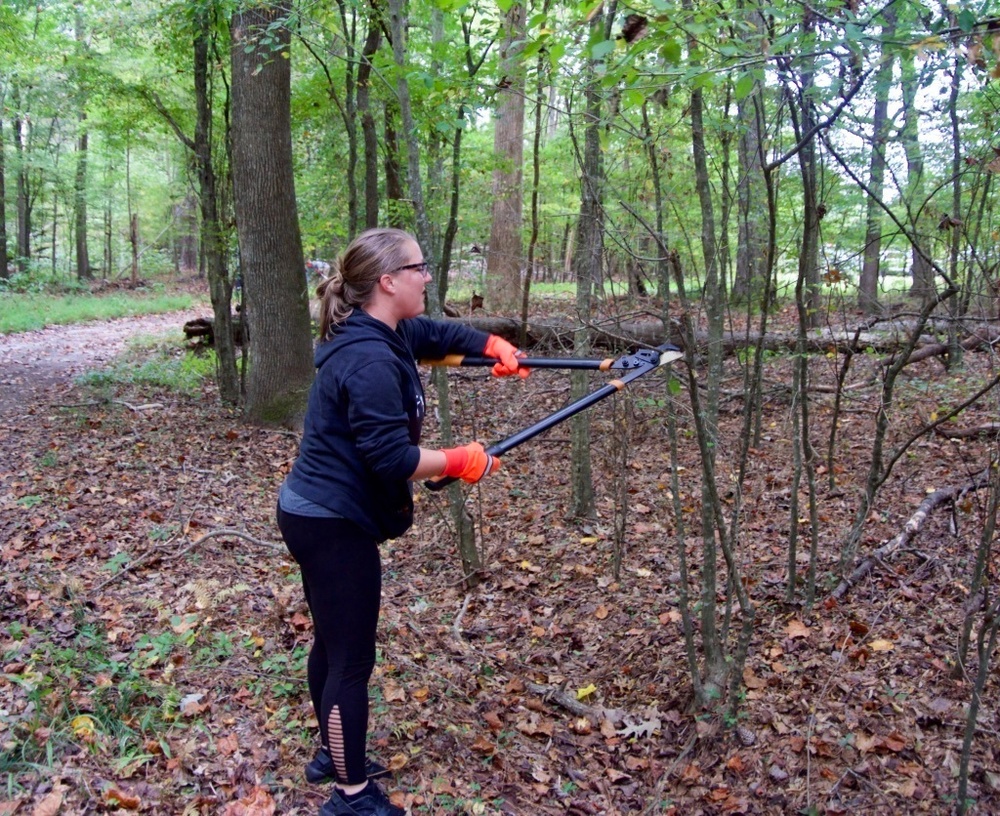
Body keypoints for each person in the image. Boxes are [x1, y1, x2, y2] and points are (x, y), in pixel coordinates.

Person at [277, 228, 527, 816]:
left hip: (319, 512)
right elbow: (391, 458)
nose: (427, 276)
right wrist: (460, 460)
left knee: (334, 646)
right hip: (331, 523)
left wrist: (491, 343)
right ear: (388, 281)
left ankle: (330, 756)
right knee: (350, 661)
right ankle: (350, 794)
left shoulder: (381, 332)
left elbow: (433, 333)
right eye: (420, 268)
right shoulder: (367, 358)